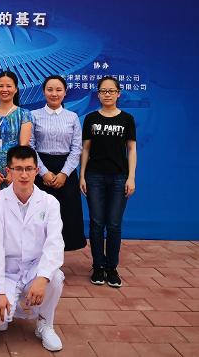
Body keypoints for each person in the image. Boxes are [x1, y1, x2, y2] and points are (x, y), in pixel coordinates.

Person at [0, 145, 64, 351]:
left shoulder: (50, 203)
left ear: (37, 170)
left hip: (34, 268)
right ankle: (10, 302)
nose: (24, 175)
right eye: (18, 169)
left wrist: (42, 277)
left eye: (29, 169)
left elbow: (55, 243)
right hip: (7, 270)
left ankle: (45, 323)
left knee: (55, 277)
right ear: (8, 171)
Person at [80, 76, 137, 288]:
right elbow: (85, 149)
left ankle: (112, 268)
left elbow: (132, 149)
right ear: (98, 94)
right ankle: (98, 266)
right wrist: (82, 175)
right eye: (103, 91)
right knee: (96, 223)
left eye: (111, 91)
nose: (107, 94)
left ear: (118, 93)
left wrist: (131, 177)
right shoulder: (91, 118)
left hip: (119, 177)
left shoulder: (127, 119)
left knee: (113, 224)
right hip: (94, 176)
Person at [30, 75, 86, 251]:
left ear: (65, 92)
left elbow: (77, 148)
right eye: (50, 89)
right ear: (43, 92)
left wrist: (64, 173)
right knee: (40, 214)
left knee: (66, 214)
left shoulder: (72, 117)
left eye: (58, 90)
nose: (54, 94)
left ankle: (58, 258)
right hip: (40, 168)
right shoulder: (34, 115)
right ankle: (38, 256)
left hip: (66, 170)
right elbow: (30, 146)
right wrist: (43, 172)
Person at [0, 71, 32, 196]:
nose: (4, 89)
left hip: (16, 172)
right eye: (1, 86)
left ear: (16, 89)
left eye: (9, 86)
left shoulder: (24, 114)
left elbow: (23, 146)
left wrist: (13, 171)